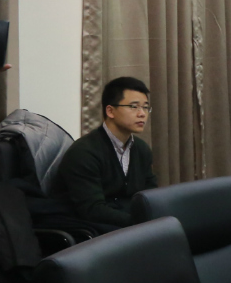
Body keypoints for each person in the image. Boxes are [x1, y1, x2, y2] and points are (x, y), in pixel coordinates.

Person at [49, 76, 157, 230]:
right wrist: (139, 223)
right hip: (89, 227)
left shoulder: (141, 149)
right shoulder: (84, 152)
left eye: (145, 107)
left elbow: (149, 195)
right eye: (134, 107)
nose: (142, 114)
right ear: (110, 111)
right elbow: (92, 209)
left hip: (127, 224)